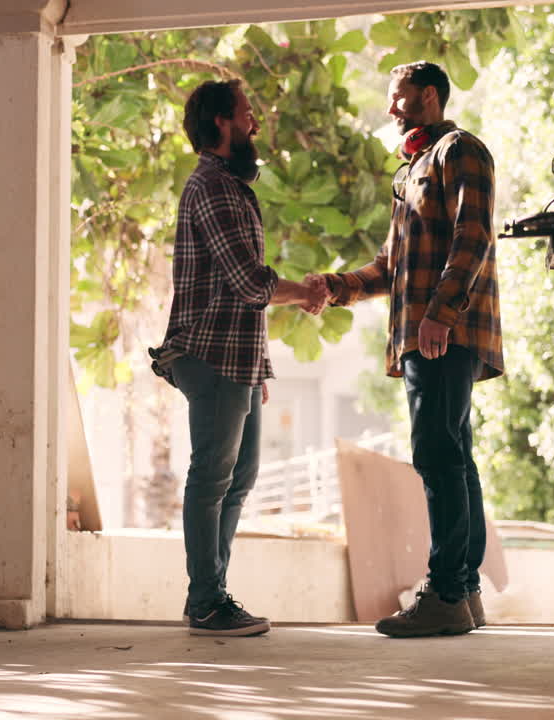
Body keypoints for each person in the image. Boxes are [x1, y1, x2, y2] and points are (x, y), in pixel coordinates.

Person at [307, 61, 503, 637]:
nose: (392, 109)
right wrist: (337, 287)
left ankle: (445, 591)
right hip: (426, 333)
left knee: (438, 456)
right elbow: (392, 267)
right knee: (452, 454)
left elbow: (474, 236)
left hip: (444, 331)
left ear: (431, 96)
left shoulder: (461, 151)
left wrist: (440, 314)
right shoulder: (413, 168)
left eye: (401, 98)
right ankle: (463, 593)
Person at [149, 79, 328, 636]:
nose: (255, 124)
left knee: (239, 478)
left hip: (235, 360)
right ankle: (206, 600)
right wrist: (307, 292)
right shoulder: (214, 187)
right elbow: (250, 283)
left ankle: (211, 595)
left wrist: (258, 371)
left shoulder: (228, 184)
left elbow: (240, 296)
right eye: (248, 114)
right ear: (223, 122)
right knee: (212, 478)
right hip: (210, 354)